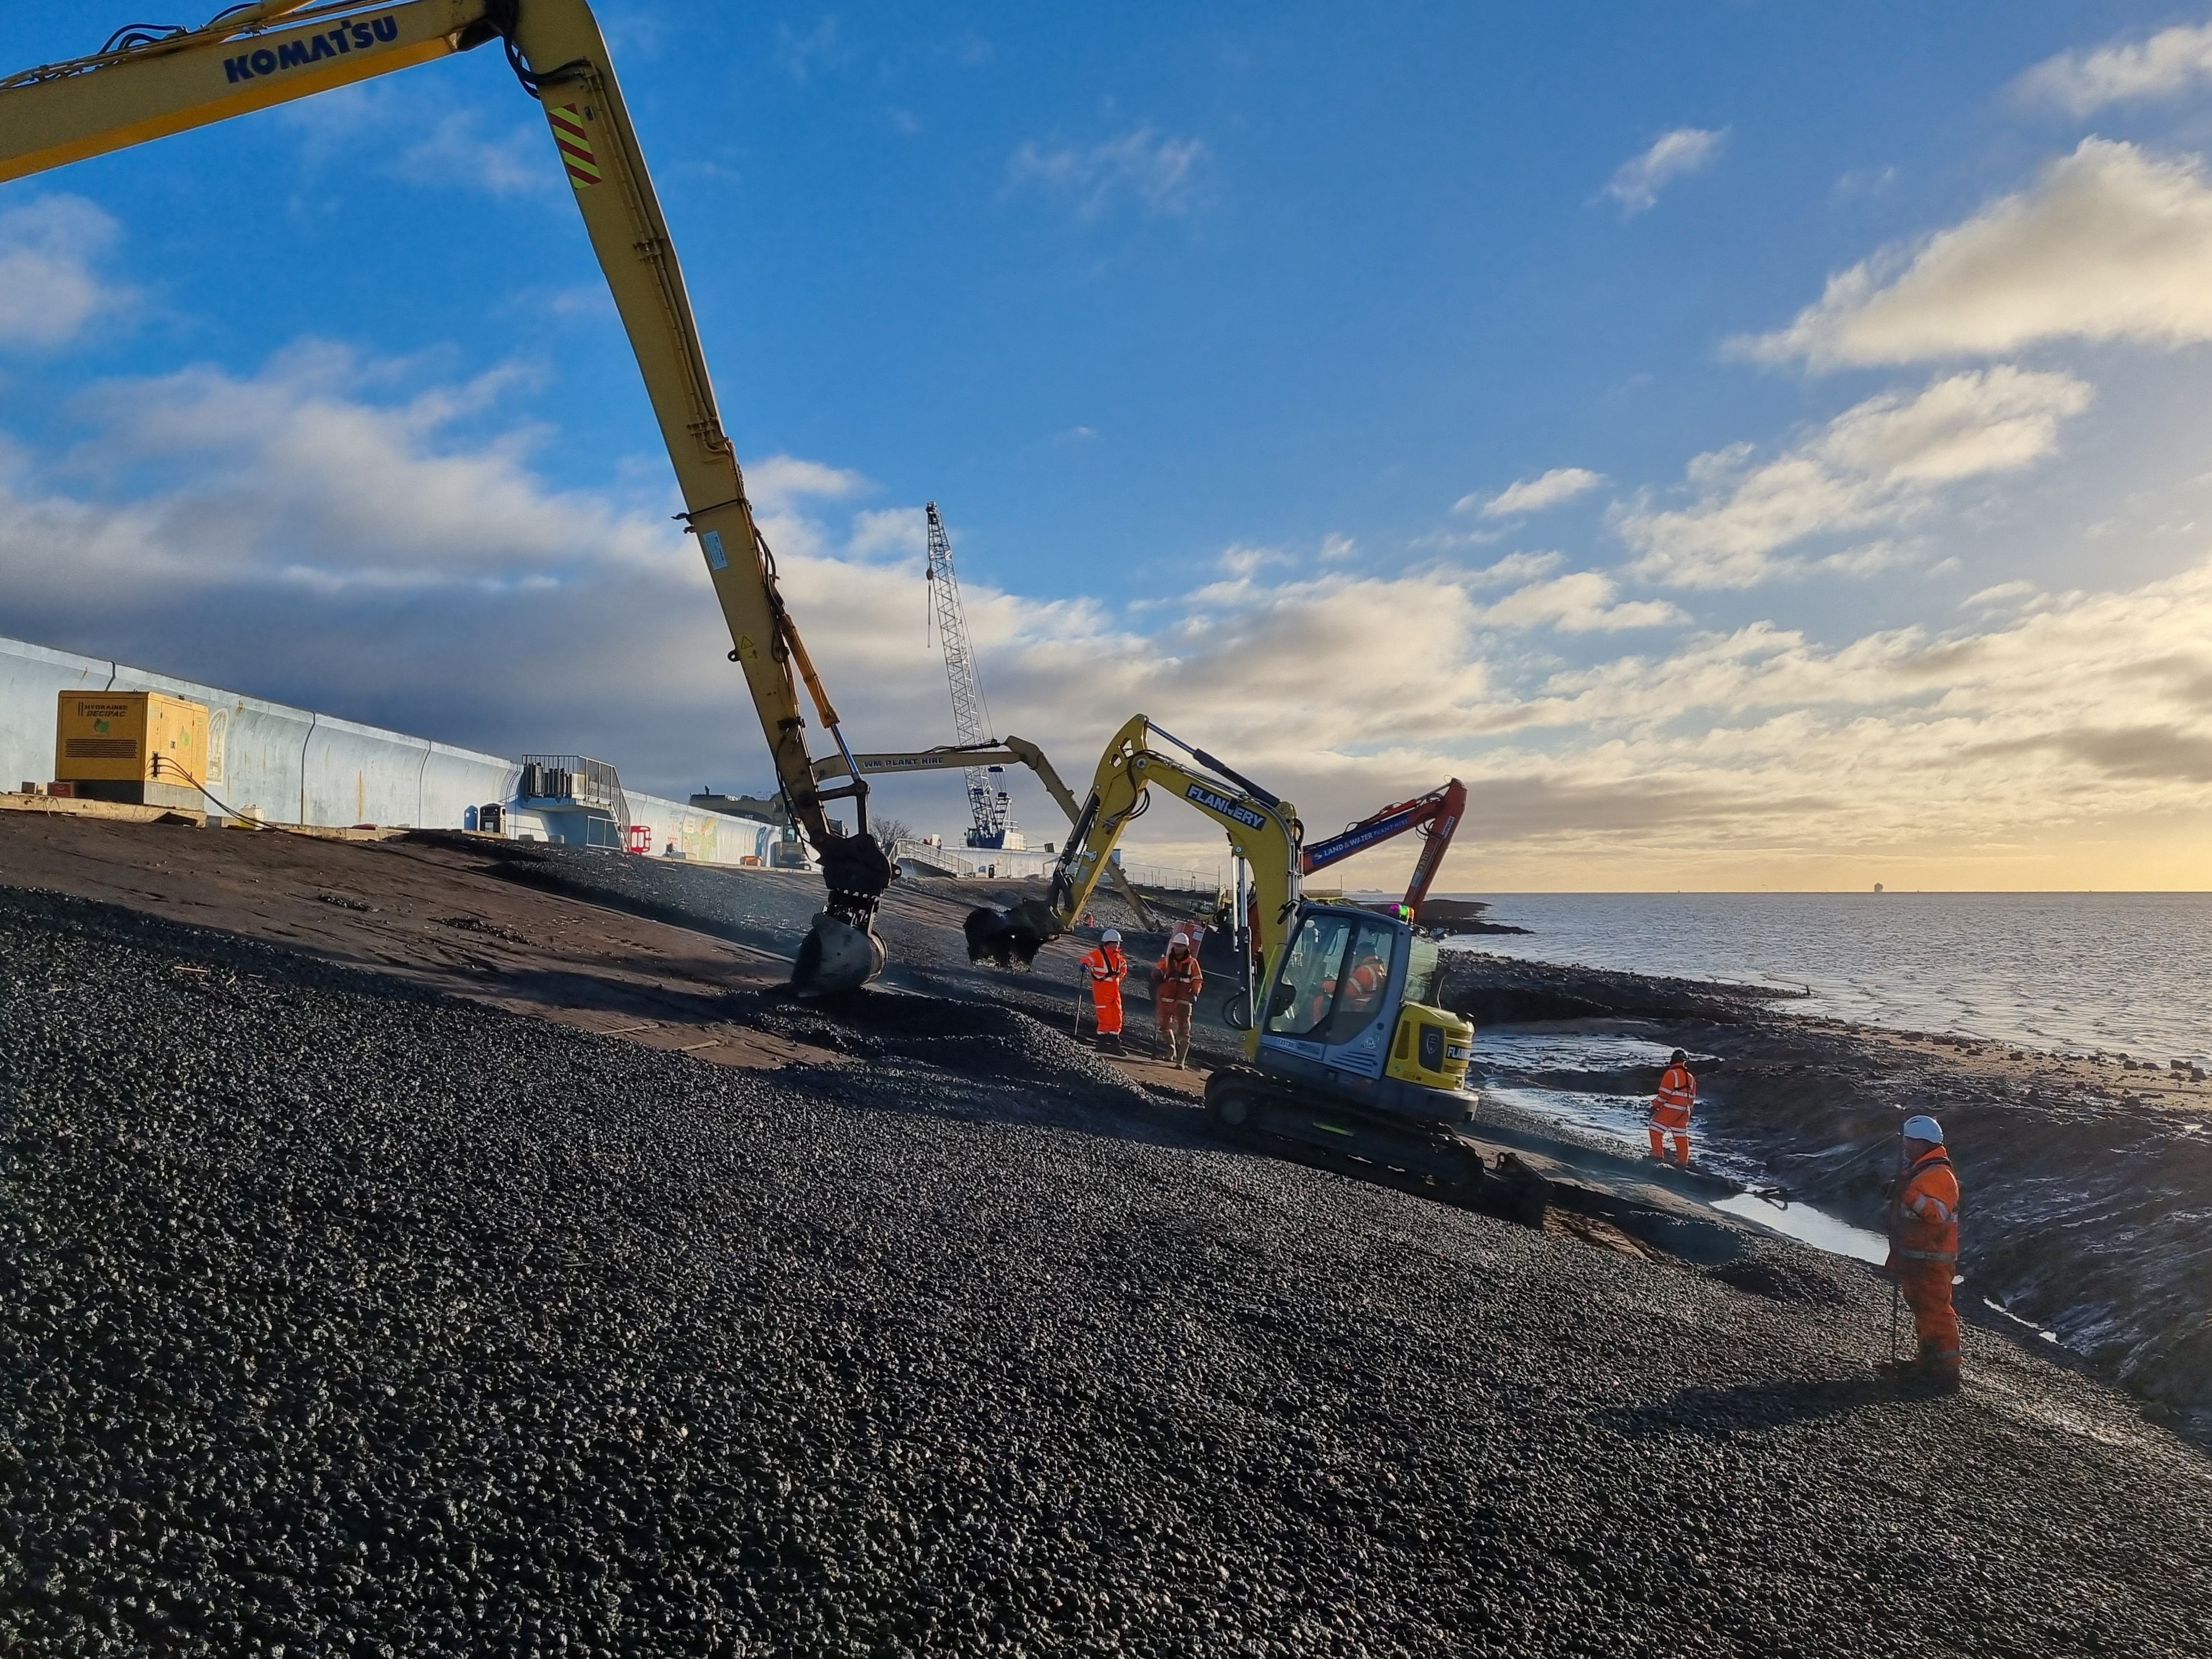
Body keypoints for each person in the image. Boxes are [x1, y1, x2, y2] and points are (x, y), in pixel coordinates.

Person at [1883, 1114, 1962, 1391]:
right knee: (1924, 1312)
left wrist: (1907, 1194)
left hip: (1931, 1259)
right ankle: (1928, 1364)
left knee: (1936, 1313)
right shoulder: (1922, 1170)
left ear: (1922, 1143)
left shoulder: (1939, 1175)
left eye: (1909, 1141)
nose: (1905, 1146)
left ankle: (1946, 1373)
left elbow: (1936, 1215)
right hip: (1918, 1257)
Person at [1154, 932, 1204, 1067]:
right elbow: (1158, 969)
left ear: (1186, 947)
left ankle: (1180, 1061)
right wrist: (1157, 974)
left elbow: (1197, 979)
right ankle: (1171, 1052)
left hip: (1183, 999)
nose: (1178, 948)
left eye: (1181, 946)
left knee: (1184, 1030)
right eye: (1176, 945)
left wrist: (1195, 993)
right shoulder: (1167, 960)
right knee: (1164, 1025)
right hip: (1167, 997)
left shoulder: (1192, 963)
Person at [1078, 928, 1129, 1053]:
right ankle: (1102, 1043)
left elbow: (1124, 967)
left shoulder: (1117, 957)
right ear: (1109, 942)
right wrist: (1084, 965)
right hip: (1102, 990)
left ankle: (1114, 1044)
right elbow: (1088, 959)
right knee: (1104, 1016)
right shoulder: (1098, 954)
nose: (1118, 945)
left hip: (1114, 991)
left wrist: (1118, 978)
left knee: (1117, 1016)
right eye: (1116, 943)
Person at [1647, 1048, 1695, 1167]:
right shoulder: (1691, 1078)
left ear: (1673, 1060)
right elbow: (1692, 1099)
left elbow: (1664, 1095)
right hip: (1685, 1111)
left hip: (1672, 1107)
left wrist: (1655, 1106)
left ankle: (1657, 1157)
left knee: (1655, 1129)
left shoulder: (1671, 1074)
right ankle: (1683, 1162)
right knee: (1681, 1135)